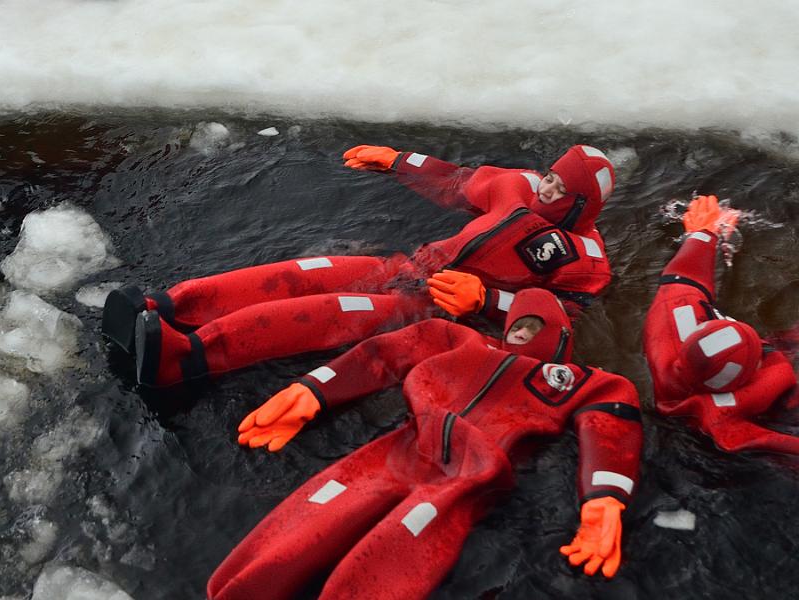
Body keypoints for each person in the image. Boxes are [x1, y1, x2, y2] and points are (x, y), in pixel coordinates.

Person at [207, 289, 643, 600]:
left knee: (380, 563)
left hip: (470, 477)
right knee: (302, 529)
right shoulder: (461, 340)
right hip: (403, 449)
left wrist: (605, 497)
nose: (524, 335)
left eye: (535, 327)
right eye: (519, 325)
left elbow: (614, 419)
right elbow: (385, 353)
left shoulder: (581, 381)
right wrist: (315, 389)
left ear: (560, 337)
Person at [101, 144, 615, 387]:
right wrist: (396, 160)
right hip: (413, 266)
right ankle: (168, 304)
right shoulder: (518, 185)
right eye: (549, 176)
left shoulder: (585, 261)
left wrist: (488, 301)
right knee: (308, 272)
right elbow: (457, 181)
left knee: (328, 309)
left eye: (560, 188)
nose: (546, 188)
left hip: (436, 309)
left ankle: (185, 356)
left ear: (581, 204)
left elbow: (562, 322)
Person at [643, 195, 799, 453]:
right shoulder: (720, 421)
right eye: (761, 353)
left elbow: (681, 278)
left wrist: (703, 233)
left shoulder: (674, 328)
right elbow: (781, 446)